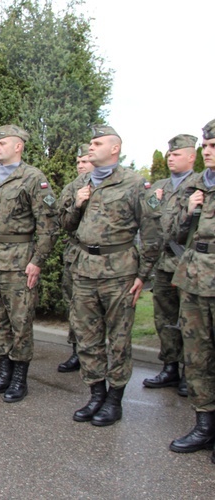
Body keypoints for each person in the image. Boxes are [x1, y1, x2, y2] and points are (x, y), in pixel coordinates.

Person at [59, 125, 161, 426]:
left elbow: (153, 231)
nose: (91, 147)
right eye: (90, 142)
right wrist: (78, 204)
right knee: (87, 338)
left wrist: (144, 274)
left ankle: (114, 400)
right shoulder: (83, 183)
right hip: (85, 270)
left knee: (118, 339)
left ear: (114, 148)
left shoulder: (135, 184)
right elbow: (66, 224)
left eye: (97, 143)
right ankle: (96, 394)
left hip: (120, 272)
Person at [0, 125, 58, 402]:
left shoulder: (33, 178)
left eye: (3, 142)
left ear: (18, 146)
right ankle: (3, 372)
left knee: (19, 320)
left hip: (19, 259)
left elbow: (48, 225)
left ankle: (19, 378)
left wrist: (37, 261)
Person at [169, 118, 215, 459]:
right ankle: (204, 424)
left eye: (214, 146)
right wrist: (189, 212)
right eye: (207, 146)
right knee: (197, 354)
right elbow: (174, 231)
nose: (208, 152)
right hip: (195, 275)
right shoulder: (196, 184)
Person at [144, 134, 198, 396]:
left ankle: (191, 372)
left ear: (191, 156)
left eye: (176, 154)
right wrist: (155, 198)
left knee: (189, 319)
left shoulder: (200, 185)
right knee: (164, 317)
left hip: (187, 262)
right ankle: (170, 367)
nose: (170, 158)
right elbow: (150, 214)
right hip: (163, 261)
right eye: (169, 154)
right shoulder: (161, 185)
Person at [57, 144, 94, 373]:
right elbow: (62, 221)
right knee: (74, 305)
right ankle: (76, 351)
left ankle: (95, 352)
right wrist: (77, 205)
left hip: (104, 259)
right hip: (75, 255)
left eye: (85, 161)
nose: (81, 165)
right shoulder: (72, 188)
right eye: (78, 162)